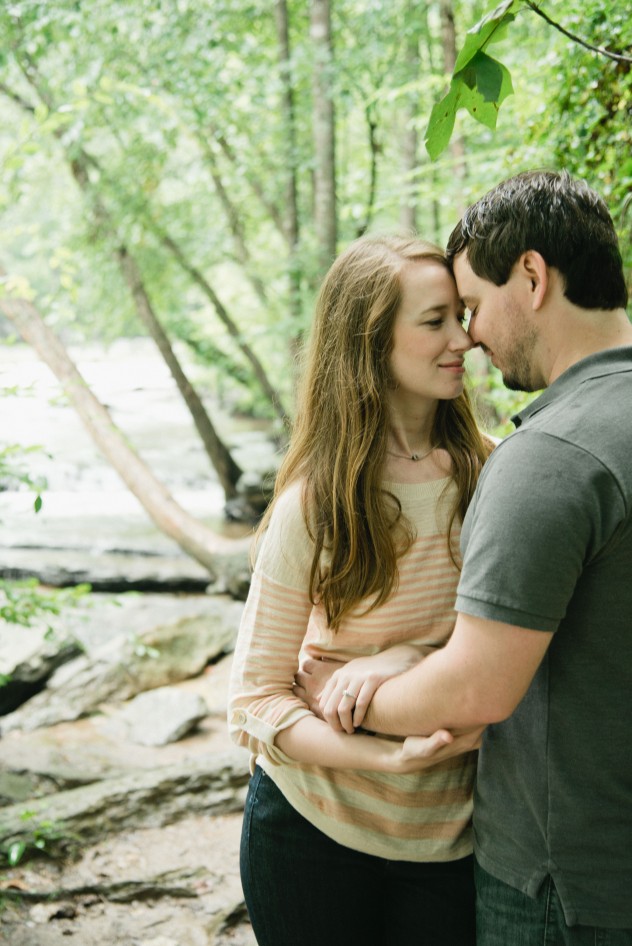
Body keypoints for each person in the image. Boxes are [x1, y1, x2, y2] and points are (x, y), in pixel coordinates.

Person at [298, 170, 632, 945]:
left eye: (474, 308)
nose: (471, 337)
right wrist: (408, 650)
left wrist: (344, 699)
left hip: (565, 881)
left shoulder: (549, 455)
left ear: (533, 276)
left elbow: (477, 687)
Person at [228, 234, 493, 946]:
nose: (463, 339)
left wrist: (404, 656)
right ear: (372, 344)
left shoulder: (493, 477)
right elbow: (255, 700)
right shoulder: (317, 503)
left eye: (460, 315)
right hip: (310, 834)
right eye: (434, 321)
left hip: (450, 845)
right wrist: (385, 755)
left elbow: (515, 645)